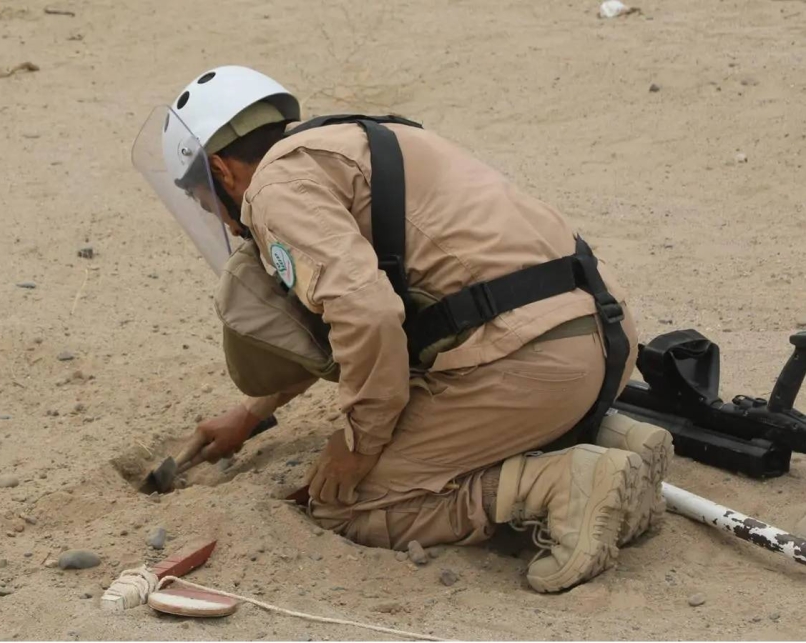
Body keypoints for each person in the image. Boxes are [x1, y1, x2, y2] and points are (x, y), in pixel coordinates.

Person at [132, 65, 673, 593]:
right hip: (602, 337)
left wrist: (360, 445)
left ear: (222, 171)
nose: (228, 225)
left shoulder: (273, 190)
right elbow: (343, 314)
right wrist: (251, 414)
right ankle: (616, 438)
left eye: (208, 202)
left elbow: (366, 314)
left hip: (533, 363)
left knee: (343, 503)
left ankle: (558, 484)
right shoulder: (350, 140)